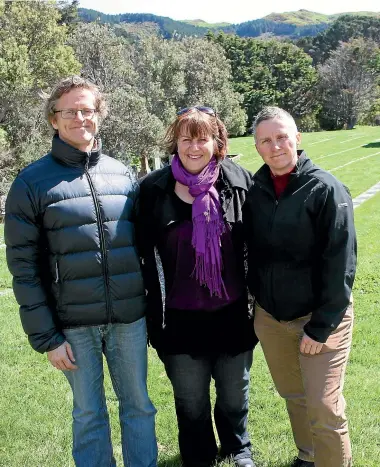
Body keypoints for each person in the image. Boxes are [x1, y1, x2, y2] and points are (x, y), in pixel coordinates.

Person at [4, 76, 157, 467]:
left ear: (99, 116)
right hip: (73, 326)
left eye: (87, 110)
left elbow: (144, 248)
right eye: (69, 111)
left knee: (139, 406)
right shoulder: (30, 182)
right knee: (89, 415)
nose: (79, 118)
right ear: (53, 119)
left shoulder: (122, 174)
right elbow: (24, 269)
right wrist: (47, 337)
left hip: (127, 319)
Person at [137, 106, 257, 467]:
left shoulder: (240, 182)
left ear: (217, 141)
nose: (193, 147)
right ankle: (199, 455)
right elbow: (140, 255)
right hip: (179, 320)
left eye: (202, 138)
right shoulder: (152, 191)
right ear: (176, 141)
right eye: (186, 138)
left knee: (235, 395)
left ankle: (238, 449)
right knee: (190, 401)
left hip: (233, 314)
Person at [243, 106, 357, 467]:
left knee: (324, 406)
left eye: (281, 137)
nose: (275, 146)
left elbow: (341, 265)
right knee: (294, 395)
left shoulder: (325, 188)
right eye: (266, 140)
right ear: (257, 147)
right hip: (272, 318)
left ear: (297, 138)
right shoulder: (255, 190)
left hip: (321, 319)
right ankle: (308, 457)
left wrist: (320, 328)